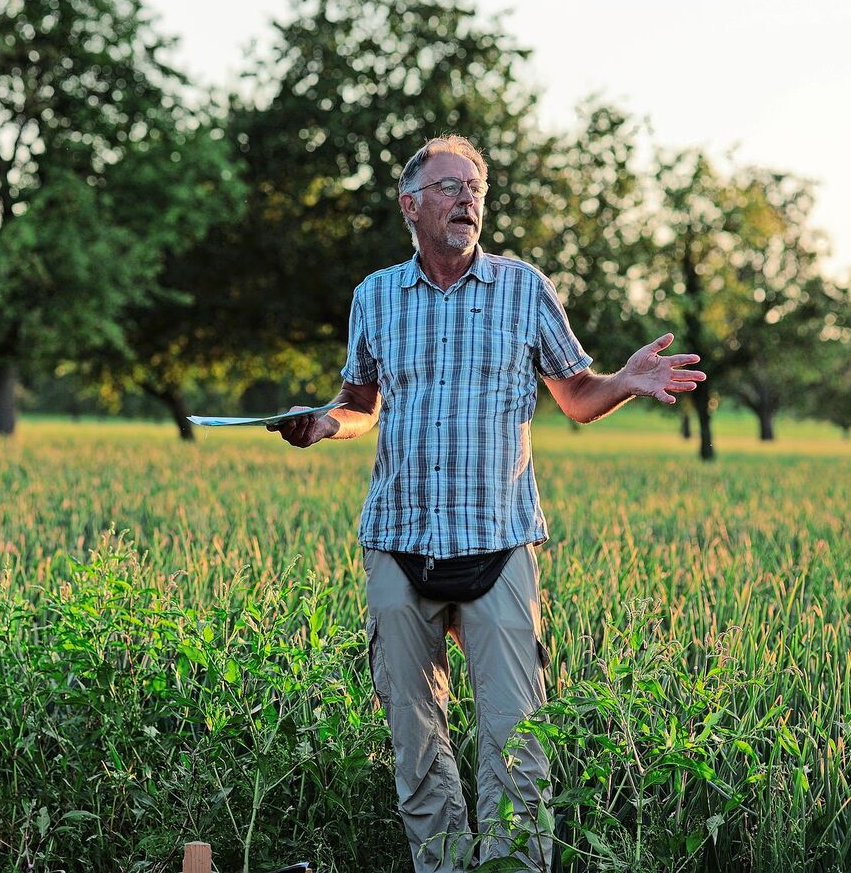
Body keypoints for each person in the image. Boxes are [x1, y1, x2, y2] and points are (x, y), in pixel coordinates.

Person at [268, 134, 707, 872]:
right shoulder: (374, 296)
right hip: (398, 540)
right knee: (415, 745)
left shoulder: (524, 288)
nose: (466, 199)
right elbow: (360, 403)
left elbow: (577, 396)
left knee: (518, 746)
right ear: (410, 206)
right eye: (449, 187)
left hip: (499, 542)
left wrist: (625, 382)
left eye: (475, 188)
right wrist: (322, 424)